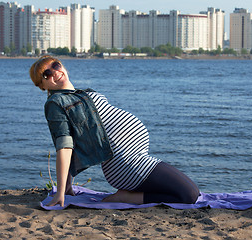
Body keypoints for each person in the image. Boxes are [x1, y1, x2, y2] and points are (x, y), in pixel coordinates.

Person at [30, 55, 200, 207]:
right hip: (124, 163)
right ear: (42, 86)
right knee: (189, 195)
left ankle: (130, 195)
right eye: (46, 75)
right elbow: (65, 146)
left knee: (192, 192)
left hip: (136, 158)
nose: (54, 72)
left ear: (62, 66)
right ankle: (126, 197)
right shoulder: (56, 103)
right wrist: (61, 192)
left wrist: (68, 187)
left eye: (56, 66)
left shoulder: (82, 93)